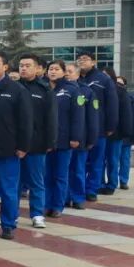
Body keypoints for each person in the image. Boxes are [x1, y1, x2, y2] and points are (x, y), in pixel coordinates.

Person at [0, 52, 32, 239]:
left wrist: (23, 146)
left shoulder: (17, 90)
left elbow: (25, 121)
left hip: (8, 150)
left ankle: (8, 224)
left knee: (8, 191)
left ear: (5, 67)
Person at [18, 54, 57, 228]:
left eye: (28, 66)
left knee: (36, 181)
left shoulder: (44, 90)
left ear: (37, 68)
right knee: (14, 183)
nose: (24, 68)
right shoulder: (14, 88)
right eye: (21, 65)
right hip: (15, 145)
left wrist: (50, 142)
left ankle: (37, 214)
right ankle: (12, 214)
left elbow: (51, 118)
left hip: (37, 144)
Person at [44, 60, 84, 219]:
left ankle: (57, 206)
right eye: (50, 69)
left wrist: (75, 137)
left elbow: (78, 116)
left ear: (63, 72)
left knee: (60, 175)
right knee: (47, 175)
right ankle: (47, 204)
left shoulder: (72, 90)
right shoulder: (44, 88)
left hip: (64, 139)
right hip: (46, 140)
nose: (53, 72)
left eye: (56, 69)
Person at [77, 50, 118, 200]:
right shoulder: (74, 78)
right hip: (79, 129)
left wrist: (111, 126)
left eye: (85, 59)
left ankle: (92, 190)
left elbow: (112, 104)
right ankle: (79, 190)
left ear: (94, 62)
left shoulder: (103, 79)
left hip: (98, 128)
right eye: (79, 59)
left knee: (96, 161)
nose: (81, 61)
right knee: (80, 163)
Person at [67, 62, 96, 211]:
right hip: (62, 139)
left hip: (80, 139)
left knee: (78, 170)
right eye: (65, 71)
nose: (67, 74)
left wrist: (91, 138)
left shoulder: (87, 91)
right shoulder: (55, 89)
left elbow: (93, 117)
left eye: (70, 71)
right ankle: (64, 197)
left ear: (78, 74)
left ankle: (78, 198)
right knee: (62, 172)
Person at [103, 68, 132, 193]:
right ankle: (101, 183)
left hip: (118, 133)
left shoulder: (121, 92)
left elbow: (127, 114)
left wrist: (127, 133)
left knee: (115, 159)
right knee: (101, 160)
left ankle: (115, 183)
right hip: (101, 132)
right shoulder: (99, 90)